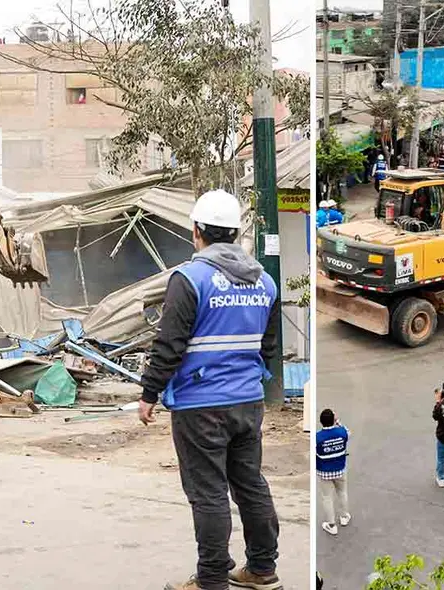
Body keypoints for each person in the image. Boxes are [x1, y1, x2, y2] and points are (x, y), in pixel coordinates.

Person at [139, 190, 282, 590]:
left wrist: (149, 394)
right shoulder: (264, 282)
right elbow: (267, 347)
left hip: (199, 406)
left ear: (196, 231)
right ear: (236, 232)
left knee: (209, 493)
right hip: (248, 401)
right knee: (250, 483)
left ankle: (212, 579)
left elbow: (169, 345)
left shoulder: (190, 279)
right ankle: (261, 568)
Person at [317, 409, 351, 536]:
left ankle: (331, 525)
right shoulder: (342, 432)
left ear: (321, 422)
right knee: (342, 492)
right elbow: (348, 432)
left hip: (324, 472)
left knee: (327, 497)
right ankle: (344, 517)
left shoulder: (317, 437)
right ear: (333, 420)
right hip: (340, 469)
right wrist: (338, 422)